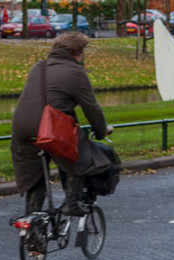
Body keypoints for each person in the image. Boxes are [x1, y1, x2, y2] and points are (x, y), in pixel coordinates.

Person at [11, 32, 114, 216]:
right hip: (50, 127)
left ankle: (31, 228)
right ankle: (71, 204)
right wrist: (100, 131)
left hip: (22, 128)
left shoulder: (38, 67)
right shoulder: (76, 72)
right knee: (79, 158)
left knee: (35, 177)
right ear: (79, 53)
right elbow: (92, 108)